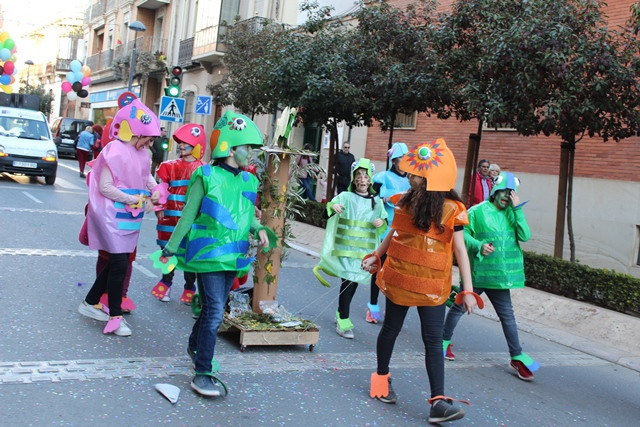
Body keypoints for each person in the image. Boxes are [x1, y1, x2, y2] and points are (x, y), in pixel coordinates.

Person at [362, 139, 481, 424]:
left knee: (432, 340)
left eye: (417, 173)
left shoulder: (453, 209)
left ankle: (438, 401)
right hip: (401, 278)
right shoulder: (404, 201)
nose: (411, 176)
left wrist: (467, 290)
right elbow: (394, 234)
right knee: (390, 329)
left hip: (432, 286)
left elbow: (460, 251)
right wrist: (376, 256)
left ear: (430, 178)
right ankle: (380, 378)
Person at [159, 110, 275, 397]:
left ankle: (195, 344)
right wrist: (170, 248)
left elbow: (246, 215)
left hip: (233, 254)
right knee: (213, 313)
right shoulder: (205, 174)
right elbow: (188, 214)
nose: (250, 153)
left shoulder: (249, 181)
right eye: (246, 147)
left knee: (215, 307)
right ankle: (202, 372)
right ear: (230, 148)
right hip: (207, 254)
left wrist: (259, 228)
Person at [77, 98, 166, 337]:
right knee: (118, 263)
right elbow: (105, 187)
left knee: (120, 261)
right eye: (148, 137)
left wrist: (155, 190)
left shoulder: (144, 153)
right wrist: (134, 199)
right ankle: (115, 316)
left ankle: (89, 302)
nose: (150, 142)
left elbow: (147, 178)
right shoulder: (113, 150)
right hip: (109, 215)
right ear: (135, 132)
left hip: (129, 217)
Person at [442, 172, 540, 381]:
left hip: (500, 278)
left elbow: (525, 236)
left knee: (508, 317)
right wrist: (478, 245)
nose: (506, 196)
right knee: (459, 307)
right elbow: (462, 233)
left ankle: (516, 355)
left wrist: (518, 210)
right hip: (478, 274)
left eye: (510, 193)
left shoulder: (513, 213)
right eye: (503, 192)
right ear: (494, 192)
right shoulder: (477, 212)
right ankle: (443, 341)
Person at [315, 158, 387, 339]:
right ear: (353, 179)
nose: (362, 180)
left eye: (365, 176)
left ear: (370, 180)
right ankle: (343, 319)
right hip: (344, 252)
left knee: (352, 283)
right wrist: (333, 206)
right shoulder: (345, 197)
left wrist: (381, 223)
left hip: (363, 254)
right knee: (348, 282)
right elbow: (325, 213)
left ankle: (340, 312)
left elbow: (384, 224)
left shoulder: (376, 202)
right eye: (359, 176)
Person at [151, 123, 206, 305]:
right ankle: (166, 283)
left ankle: (189, 288)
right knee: (167, 250)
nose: (181, 146)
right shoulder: (168, 166)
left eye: (186, 143)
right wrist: (159, 207)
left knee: (190, 252)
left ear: (197, 146)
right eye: (180, 142)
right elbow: (161, 187)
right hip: (168, 218)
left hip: (192, 220)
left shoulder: (204, 169)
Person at [366, 142, 410, 324]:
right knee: (379, 269)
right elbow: (369, 200)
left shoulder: (411, 180)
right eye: (401, 160)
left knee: (396, 272)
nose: (404, 164)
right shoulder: (382, 177)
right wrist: (380, 200)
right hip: (384, 231)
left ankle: (391, 308)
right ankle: (372, 306)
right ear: (394, 161)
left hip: (403, 233)